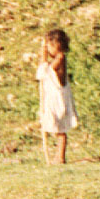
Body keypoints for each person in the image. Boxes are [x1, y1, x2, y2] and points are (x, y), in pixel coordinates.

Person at [36, 28, 77, 164]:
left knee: (60, 128)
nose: (48, 50)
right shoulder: (56, 58)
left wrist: (43, 56)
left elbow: (45, 71)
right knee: (55, 127)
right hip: (53, 97)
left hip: (59, 98)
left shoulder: (60, 57)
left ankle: (60, 156)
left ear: (56, 45)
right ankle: (58, 156)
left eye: (49, 46)